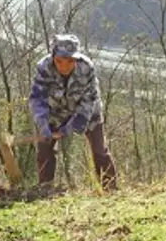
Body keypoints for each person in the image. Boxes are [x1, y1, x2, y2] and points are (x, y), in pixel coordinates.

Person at [29, 34, 118, 190]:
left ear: (76, 59)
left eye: (70, 61)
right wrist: (42, 124)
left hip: (87, 112)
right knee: (44, 150)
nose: (65, 66)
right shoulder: (43, 67)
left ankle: (110, 189)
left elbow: (89, 101)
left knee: (99, 151)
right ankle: (45, 189)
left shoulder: (86, 67)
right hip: (55, 112)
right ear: (53, 57)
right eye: (60, 61)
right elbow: (37, 98)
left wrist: (71, 127)